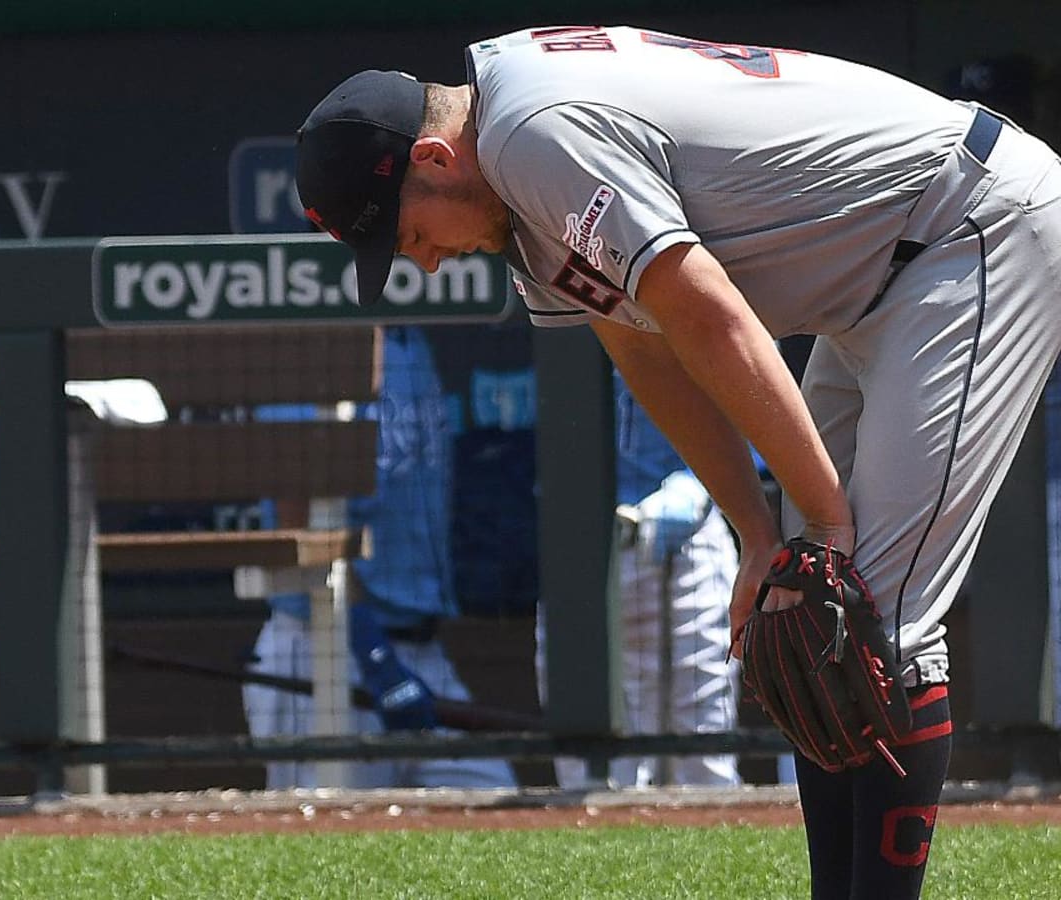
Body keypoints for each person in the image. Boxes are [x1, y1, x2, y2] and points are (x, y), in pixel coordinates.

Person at [292, 26, 1061, 898]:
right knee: (810, 613)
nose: (421, 262)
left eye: (407, 235)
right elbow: (649, 351)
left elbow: (711, 319)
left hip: (967, 224)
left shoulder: (533, 134)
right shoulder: (516, 196)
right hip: (879, 277)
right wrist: (761, 536)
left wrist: (827, 526)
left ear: (432, 157)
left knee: (872, 617)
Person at [242, 325, 517, 790]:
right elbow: (297, 525)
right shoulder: (313, 336)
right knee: (319, 846)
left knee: (493, 805)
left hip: (422, 649)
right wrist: (376, 658)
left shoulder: (415, 339)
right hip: (324, 646)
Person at [535, 370, 740, 788]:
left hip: (687, 538)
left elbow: (756, 380)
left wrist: (701, 483)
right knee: (590, 764)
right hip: (582, 542)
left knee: (701, 743)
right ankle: (595, 854)